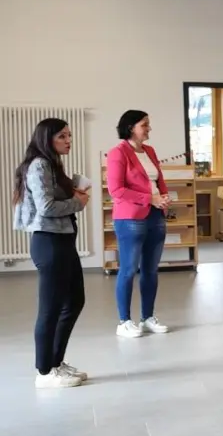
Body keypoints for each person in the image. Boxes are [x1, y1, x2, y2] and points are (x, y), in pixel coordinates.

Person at [12, 118, 89, 387]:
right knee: (51, 309)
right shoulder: (40, 165)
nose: (68, 141)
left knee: (74, 301)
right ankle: (44, 371)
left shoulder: (52, 164)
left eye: (69, 135)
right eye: (62, 137)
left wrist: (72, 195)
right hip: (49, 243)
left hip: (62, 241)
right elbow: (45, 207)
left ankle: (56, 361)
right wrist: (76, 203)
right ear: (47, 139)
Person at [107, 109, 171, 336]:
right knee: (128, 269)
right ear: (131, 127)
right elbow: (116, 190)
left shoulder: (150, 151)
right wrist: (149, 198)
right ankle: (124, 320)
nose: (149, 128)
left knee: (151, 270)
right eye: (145, 124)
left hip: (155, 215)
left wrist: (163, 196)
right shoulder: (118, 153)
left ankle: (147, 317)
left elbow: (159, 179)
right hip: (130, 218)